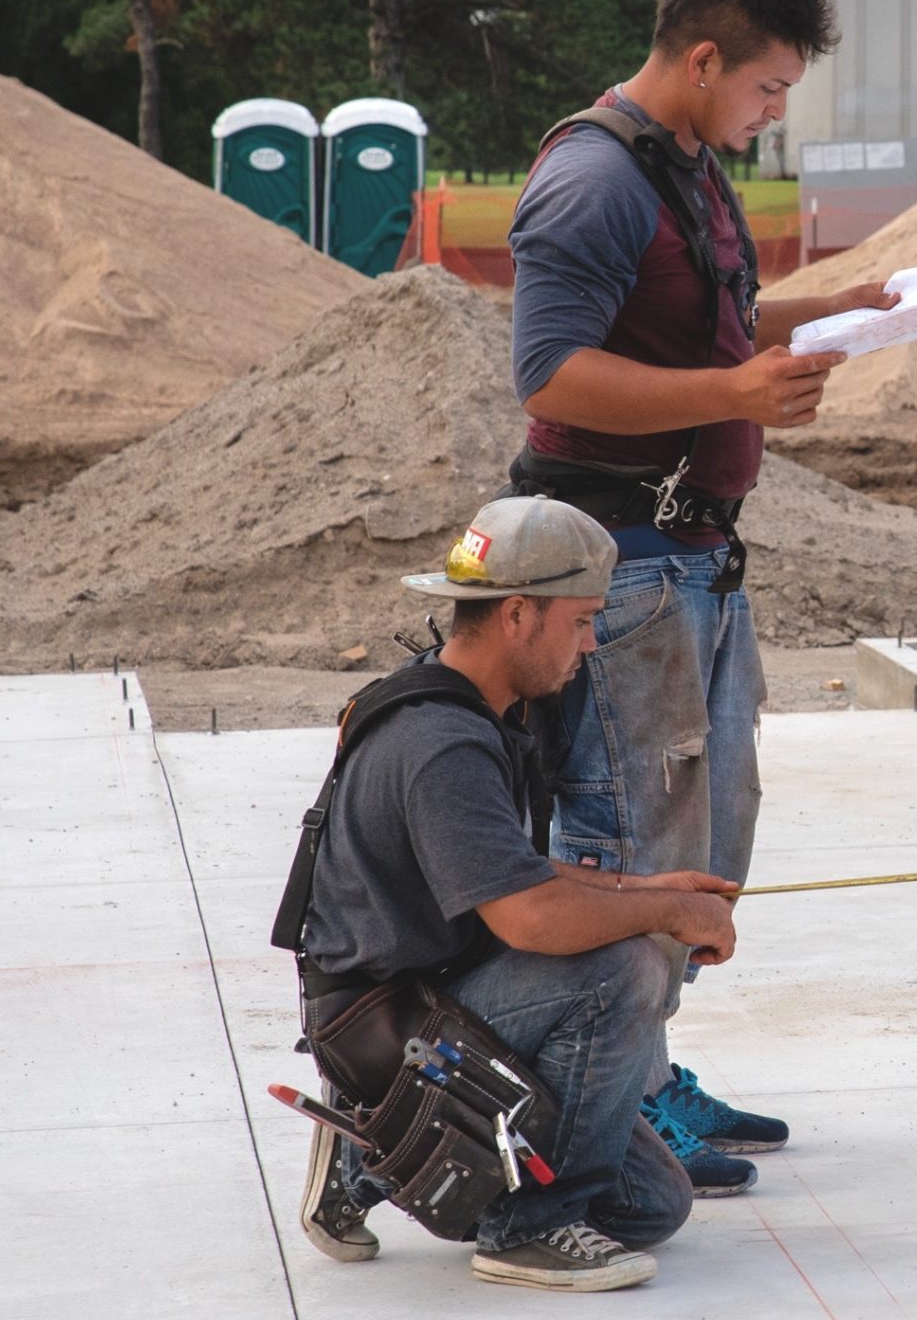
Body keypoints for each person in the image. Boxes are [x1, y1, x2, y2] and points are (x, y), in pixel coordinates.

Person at [505, 0, 898, 1193]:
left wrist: (849, 309)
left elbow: (717, 320)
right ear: (707, 55)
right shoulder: (595, 181)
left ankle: (647, 1068)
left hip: (690, 562)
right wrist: (735, 386)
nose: (775, 111)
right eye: (770, 87)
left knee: (703, 828)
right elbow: (549, 375)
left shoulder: (686, 168)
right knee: (627, 839)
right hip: (615, 564)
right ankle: (605, 1100)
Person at [292, 497, 743, 1292]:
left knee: (651, 1206)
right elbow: (531, 918)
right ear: (518, 615)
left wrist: (650, 885)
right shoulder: (443, 744)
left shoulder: (476, 710)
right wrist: (667, 913)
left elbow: (514, 872)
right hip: (386, 1023)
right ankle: (524, 1230)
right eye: (580, 621)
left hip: (438, 995)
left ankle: (369, 1159)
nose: (591, 642)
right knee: (622, 968)